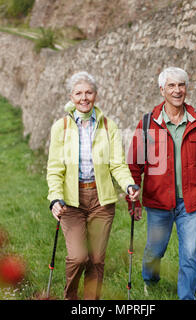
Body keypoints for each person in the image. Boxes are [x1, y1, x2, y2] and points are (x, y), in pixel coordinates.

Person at [47, 71, 140, 300]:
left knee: (97, 259)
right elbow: (55, 168)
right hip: (71, 201)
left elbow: (117, 164)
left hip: (101, 200)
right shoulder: (62, 127)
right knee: (79, 257)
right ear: (71, 96)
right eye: (79, 93)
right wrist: (55, 199)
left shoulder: (109, 126)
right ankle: (70, 297)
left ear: (96, 95)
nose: (84, 97)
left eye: (88, 92)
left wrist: (128, 185)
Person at [126, 67, 196, 300]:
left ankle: (186, 297)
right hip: (158, 202)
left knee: (190, 254)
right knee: (155, 251)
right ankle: (150, 281)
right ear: (162, 89)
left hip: (191, 201)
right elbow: (135, 165)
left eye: (181, 85)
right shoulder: (148, 123)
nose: (178, 90)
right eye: (172, 86)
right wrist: (132, 199)